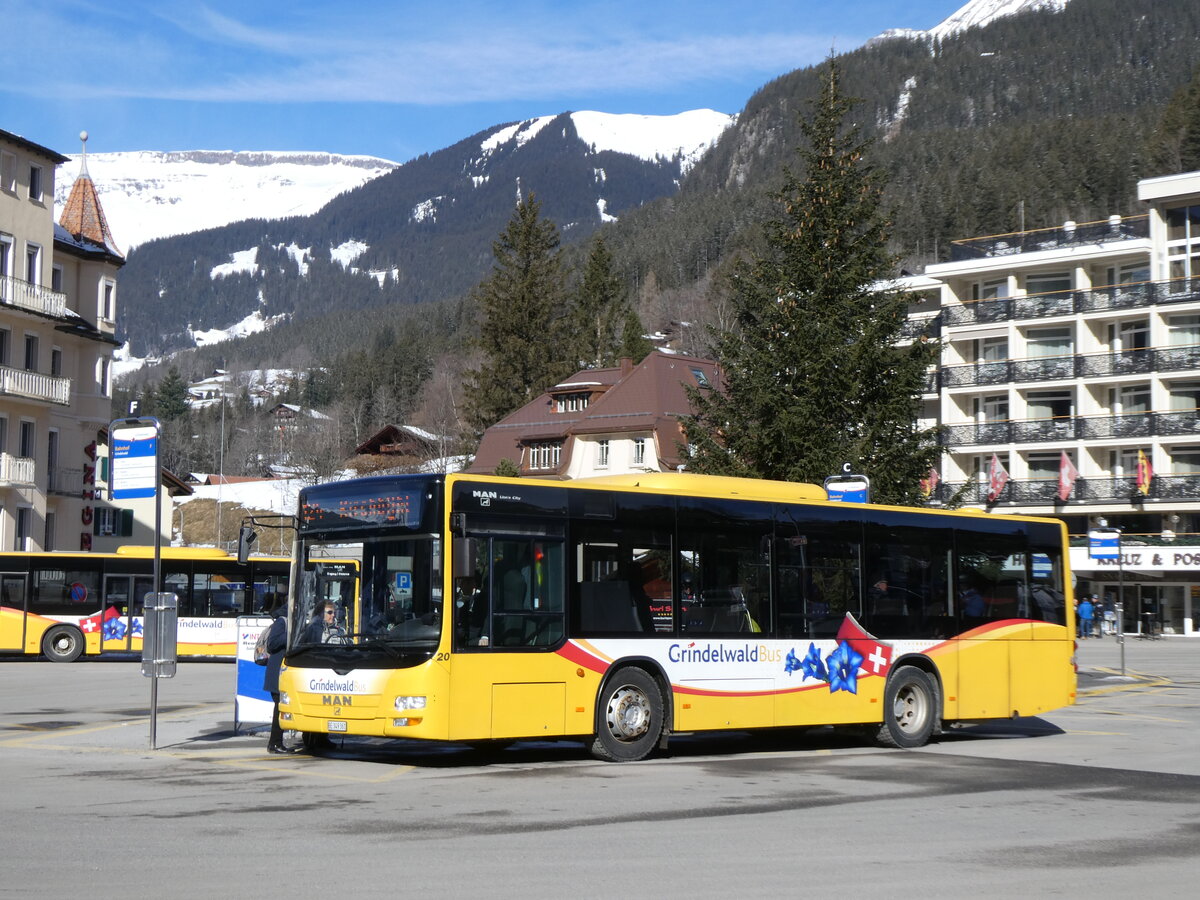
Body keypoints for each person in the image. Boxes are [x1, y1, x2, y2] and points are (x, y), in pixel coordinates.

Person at [263, 595, 299, 754]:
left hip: (283, 673)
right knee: (279, 709)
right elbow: (272, 643)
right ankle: (275, 743)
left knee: (281, 708)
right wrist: (291, 634)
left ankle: (277, 742)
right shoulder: (282, 621)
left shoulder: (289, 621)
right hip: (277, 674)